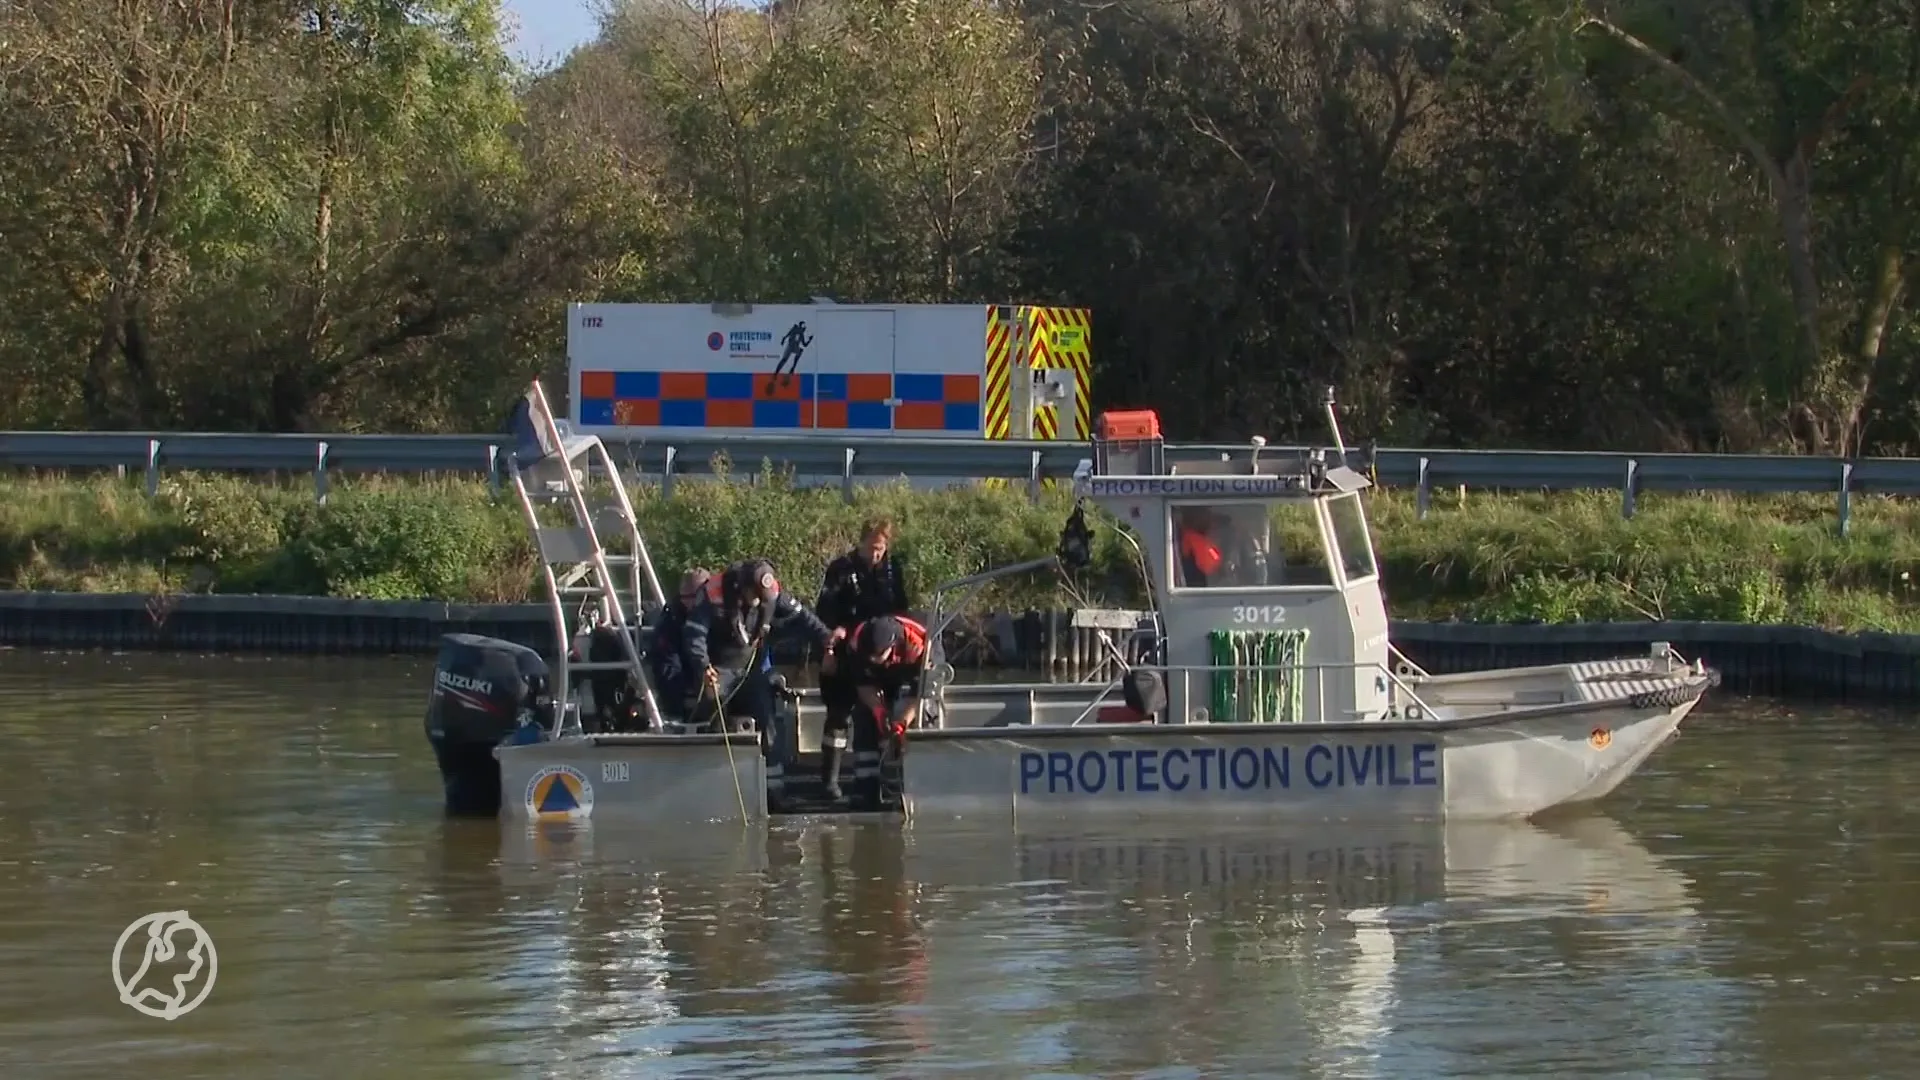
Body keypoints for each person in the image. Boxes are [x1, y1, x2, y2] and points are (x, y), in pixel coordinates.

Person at [682, 559, 838, 802]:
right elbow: (695, 635)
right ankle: (709, 786)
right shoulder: (713, 595)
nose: (757, 600)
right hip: (718, 668)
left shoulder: (772, 594)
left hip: (751, 670)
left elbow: (805, 619)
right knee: (712, 713)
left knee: (767, 718)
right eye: (753, 594)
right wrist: (703, 666)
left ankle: (774, 790)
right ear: (741, 587)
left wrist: (828, 639)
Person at [814, 518, 911, 800]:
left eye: (881, 549)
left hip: (879, 653)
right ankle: (829, 782)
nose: (876, 554)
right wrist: (828, 650)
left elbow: (901, 610)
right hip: (845, 648)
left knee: (876, 713)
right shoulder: (841, 569)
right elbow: (825, 613)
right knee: (838, 715)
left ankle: (874, 782)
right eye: (872, 548)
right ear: (861, 542)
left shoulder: (892, 569)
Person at [844, 614, 930, 809]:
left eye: (877, 655)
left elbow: (921, 694)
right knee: (863, 715)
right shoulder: (857, 644)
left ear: (892, 645)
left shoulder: (921, 645)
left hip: (912, 675)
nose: (873, 659)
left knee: (924, 715)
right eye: (870, 656)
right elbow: (863, 685)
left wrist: (902, 722)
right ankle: (866, 789)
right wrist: (878, 711)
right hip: (878, 679)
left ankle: (912, 787)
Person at [646, 568, 711, 717]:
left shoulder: (713, 613)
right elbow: (667, 660)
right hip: (679, 664)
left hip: (707, 665)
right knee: (671, 675)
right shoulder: (671, 621)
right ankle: (677, 716)